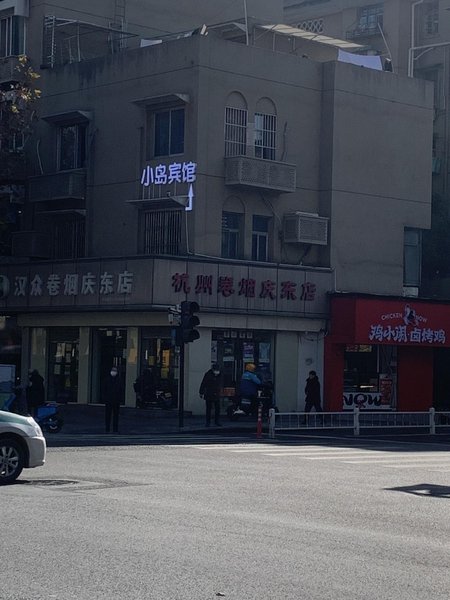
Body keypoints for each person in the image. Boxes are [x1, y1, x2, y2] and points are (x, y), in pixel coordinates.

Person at [199, 363, 223, 427]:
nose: (217, 371)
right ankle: (208, 422)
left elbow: (220, 383)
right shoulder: (208, 374)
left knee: (217, 408)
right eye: (216, 370)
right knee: (208, 408)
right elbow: (203, 383)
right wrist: (201, 392)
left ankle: (217, 421)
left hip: (216, 393)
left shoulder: (220, 374)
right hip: (209, 393)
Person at [102, 365, 124, 433]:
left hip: (116, 400)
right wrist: (105, 398)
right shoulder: (107, 379)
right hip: (108, 400)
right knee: (108, 415)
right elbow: (104, 389)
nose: (114, 372)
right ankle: (107, 428)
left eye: (115, 370)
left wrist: (120, 399)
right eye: (113, 370)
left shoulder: (119, 380)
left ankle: (115, 429)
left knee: (116, 415)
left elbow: (121, 390)